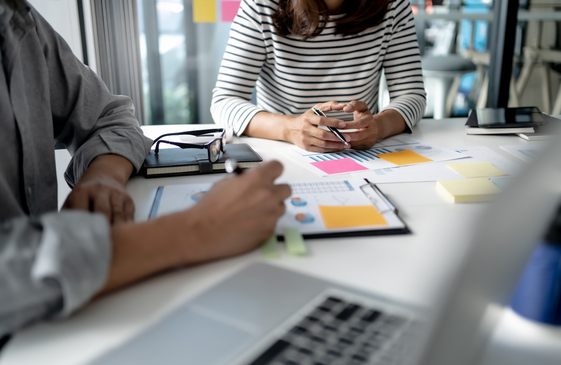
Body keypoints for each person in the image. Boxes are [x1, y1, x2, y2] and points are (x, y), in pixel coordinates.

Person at [0, 0, 291, 343]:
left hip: (55, 328)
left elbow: (110, 117)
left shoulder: (20, 19)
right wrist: (199, 228)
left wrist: (103, 176)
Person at [211, 0, 426, 153]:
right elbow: (224, 102)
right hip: (283, 153)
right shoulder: (261, 6)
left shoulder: (393, 6)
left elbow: (412, 95)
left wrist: (378, 127)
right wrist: (290, 129)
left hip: (363, 156)